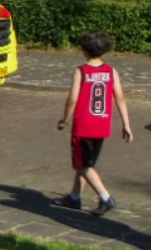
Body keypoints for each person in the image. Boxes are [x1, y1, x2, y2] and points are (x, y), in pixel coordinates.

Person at [54, 31, 134, 216]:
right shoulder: (111, 71)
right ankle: (74, 197)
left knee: (84, 165)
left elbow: (73, 99)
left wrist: (64, 120)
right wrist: (126, 124)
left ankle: (106, 198)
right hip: (102, 125)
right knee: (86, 161)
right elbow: (120, 97)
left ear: (84, 50)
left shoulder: (81, 71)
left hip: (83, 126)